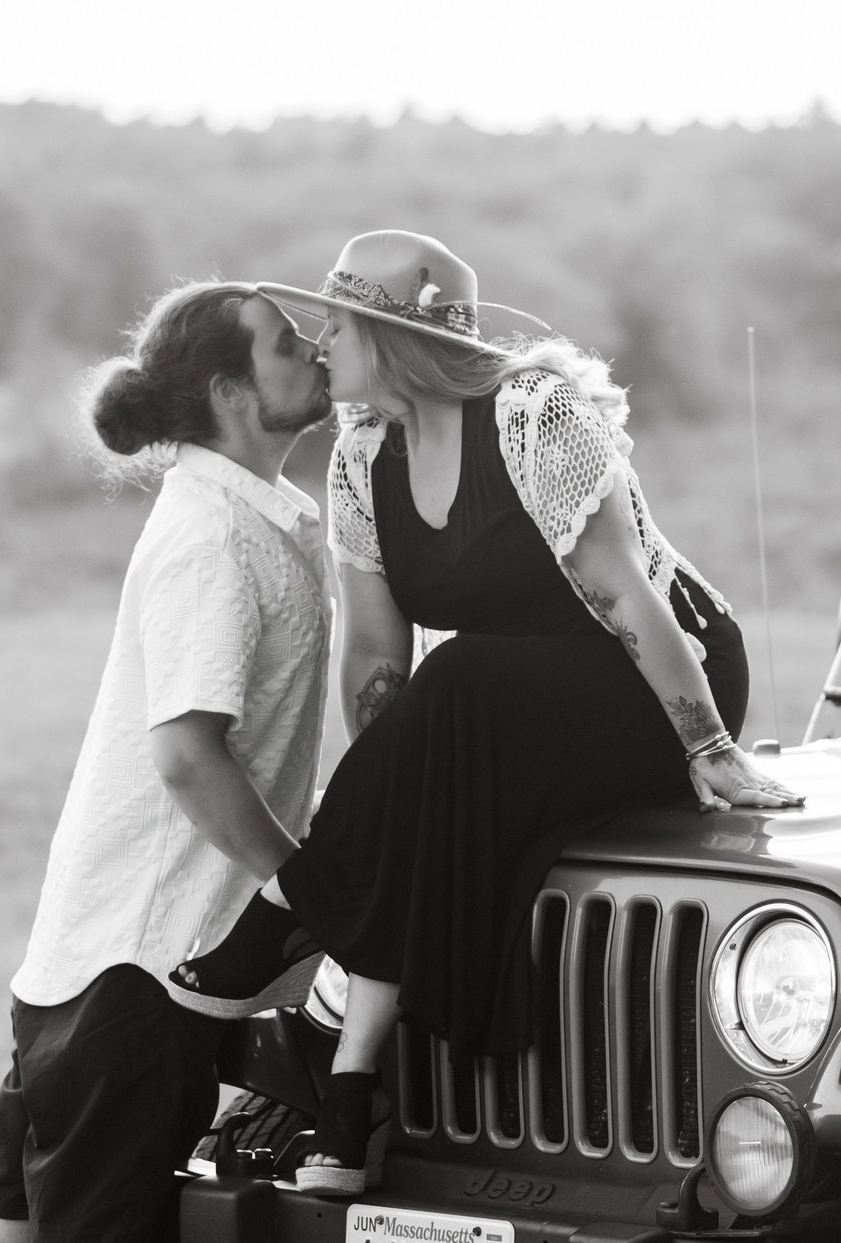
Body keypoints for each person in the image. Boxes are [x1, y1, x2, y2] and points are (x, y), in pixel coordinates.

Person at [169, 230, 801, 1197]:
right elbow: (376, 651)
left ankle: (292, 903)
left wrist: (707, 745)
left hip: (649, 681)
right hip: (500, 706)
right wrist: (393, 804)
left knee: (459, 674)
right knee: (443, 732)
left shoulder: (532, 419)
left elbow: (630, 596)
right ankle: (347, 1113)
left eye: (337, 325)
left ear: (392, 335)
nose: (321, 343)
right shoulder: (361, 456)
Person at [0, 282, 334, 1243]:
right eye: (288, 345)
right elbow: (182, 751)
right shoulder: (212, 535)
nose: (317, 352)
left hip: (95, 957)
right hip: (137, 973)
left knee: (8, 1225)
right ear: (232, 391)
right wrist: (299, 886)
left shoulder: (251, 515)